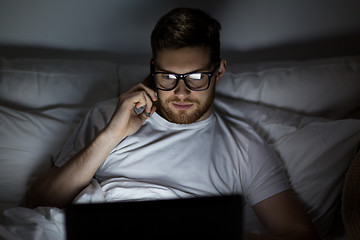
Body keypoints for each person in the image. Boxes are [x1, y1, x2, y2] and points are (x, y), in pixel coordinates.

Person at [27, 8, 319, 239]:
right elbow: (39, 201)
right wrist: (111, 136)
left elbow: (300, 234)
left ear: (218, 72)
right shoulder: (108, 117)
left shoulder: (245, 147)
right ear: (153, 69)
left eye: (195, 77)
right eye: (168, 76)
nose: (181, 92)